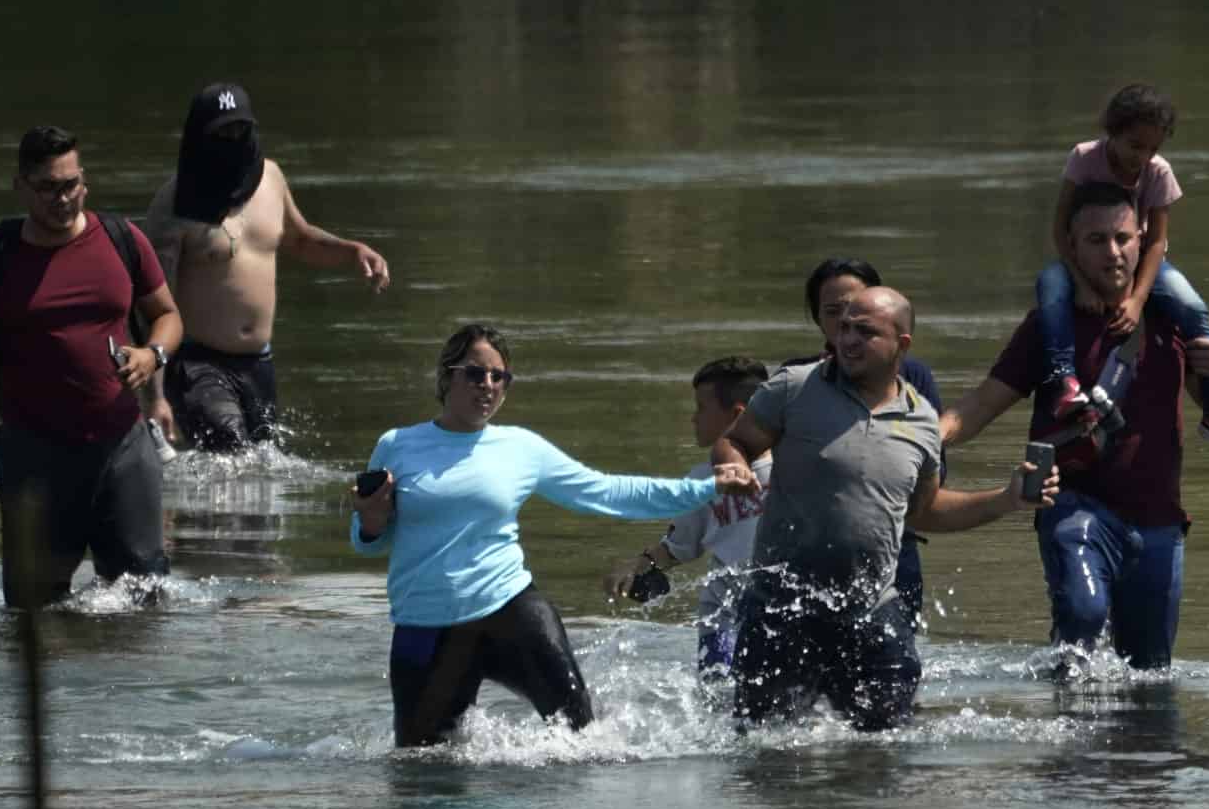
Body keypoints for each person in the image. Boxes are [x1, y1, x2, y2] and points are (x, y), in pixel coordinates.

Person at [351, 325, 756, 749]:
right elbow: (367, 541)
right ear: (447, 376)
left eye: (498, 377)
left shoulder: (521, 448)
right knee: (417, 770)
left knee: (586, 742)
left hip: (510, 612)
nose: (487, 386)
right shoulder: (398, 445)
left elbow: (606, 491)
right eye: (475, 374)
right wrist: (372, 522)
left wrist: (706, 487)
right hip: (425, 625)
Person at [937, 180, 1209, 672]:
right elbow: (978, 406)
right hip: (1074, 504)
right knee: (1082, 618)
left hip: (1158, 517)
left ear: (1142, 240)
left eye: (1123, 238)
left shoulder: (1172, 318)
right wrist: (917, 439)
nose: (1113, 251)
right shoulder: (1048, 326)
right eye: (1096, 240)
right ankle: (1069, 741)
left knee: (1150, 669)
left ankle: (1137, 751)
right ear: (1072, 248)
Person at [711, 287, 1053, 731]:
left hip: (871, 612)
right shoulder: (795, 387)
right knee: (763, 751)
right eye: (844, 327)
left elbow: (924, 512)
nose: (847, 340)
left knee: (888, 749)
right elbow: (734, 439)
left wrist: (1007, 499)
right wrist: (734, 467)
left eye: (865, 332)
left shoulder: (923, 421)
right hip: (782, 608)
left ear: (902, 344)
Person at [0, 125, 184, 608]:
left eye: (71, 185)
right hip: (34, 459)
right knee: (33, 615)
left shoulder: (123, 240)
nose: (62, 199)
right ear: (20, 186)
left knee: (147, 603)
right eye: (48, 188)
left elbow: (167, 316)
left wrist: (152, 356)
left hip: (123, 450)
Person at [142, 82, 390, 452]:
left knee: (260, 471)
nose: (232, 140)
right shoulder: (174, 205)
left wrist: (352, 251)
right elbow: (153, 309)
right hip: (198, 362)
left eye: (240, 130)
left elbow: (301, 240)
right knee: (230, 450)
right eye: (221, 133)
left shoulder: (270, 178)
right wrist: (155, 398)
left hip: (260, 363)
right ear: (199, 138)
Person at [1033, 83, 1209, 458]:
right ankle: (1064, 381)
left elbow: (1155, 242)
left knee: (1193, 307)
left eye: (1152, 148)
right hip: (1084, 260)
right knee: (1051, 289)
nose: (1143, 156)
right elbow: (1060, 228)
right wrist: (1079, 282)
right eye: (1135, 145)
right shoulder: (1084, 158)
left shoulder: (1157, 172)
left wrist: (1138, 300)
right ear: (1113, 133)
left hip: (1142, 261)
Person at [603, 356, 774, 678]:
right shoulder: (703, 482)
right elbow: (675, 548)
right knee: (720, 708)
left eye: (701, 408)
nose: (693, 419)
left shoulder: (793, 470)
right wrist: (635, 567)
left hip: (777, 615)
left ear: (737, 415)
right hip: (719, 623)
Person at [794, 258, 938, 629]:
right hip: (810, 554)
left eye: (858, 308)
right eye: (834, 313)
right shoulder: (796, 382)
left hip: (893, 547)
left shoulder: (915, 378)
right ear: (818, 320)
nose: (848, 325)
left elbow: (931, 479)